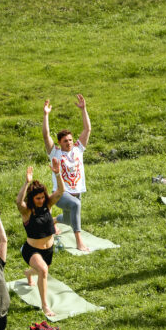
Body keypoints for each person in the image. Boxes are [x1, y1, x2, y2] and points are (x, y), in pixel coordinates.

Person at [17, 167, 65, 327]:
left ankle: (28, 273)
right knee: (43, 270)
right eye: (38, 198)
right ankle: (45, 305)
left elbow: (60, 190)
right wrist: (26, 182)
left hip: (48, 250)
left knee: (42, 270)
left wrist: (57, 173)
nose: (41, 200)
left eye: (43, 197)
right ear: (32, 198)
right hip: (32, 250)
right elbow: (19, 202)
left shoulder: (48, 205)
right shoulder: (27, 212)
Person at [44, 93, 91, 250]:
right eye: (65, 141)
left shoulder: (78, 149)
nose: (69, 143)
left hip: (76, 191)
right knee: (76, 205)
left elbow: (87, 129)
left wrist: (83, 109)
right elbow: (45, 135)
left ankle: (53, 220)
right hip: (60, 193)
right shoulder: (55, 153)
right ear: (59, 143)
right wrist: (46, 115)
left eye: (70, 140)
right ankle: (79, 241)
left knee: (70, 219)